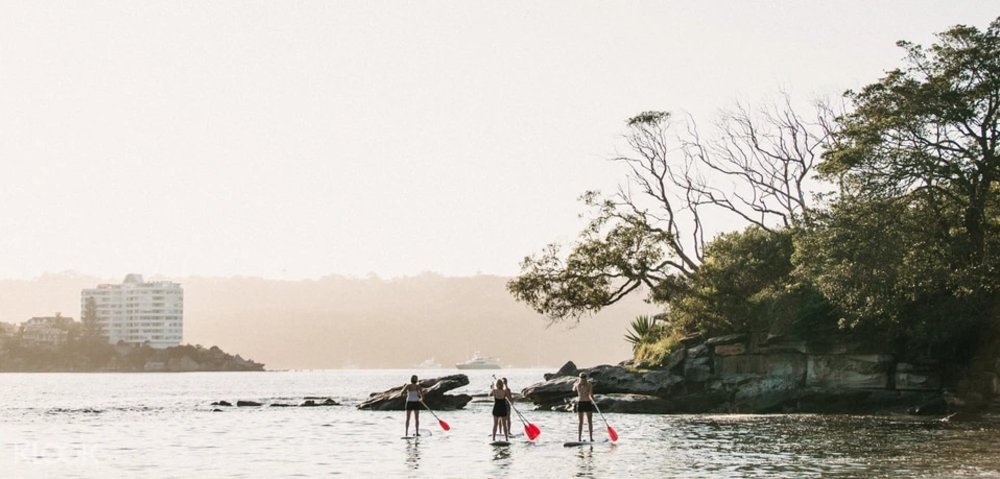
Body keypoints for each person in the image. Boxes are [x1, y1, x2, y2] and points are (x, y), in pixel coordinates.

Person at [573, 372, 595, 442]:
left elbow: (591, 394)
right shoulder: (578, 384)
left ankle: (591, 438)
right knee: (580, 422)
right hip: (580, 403)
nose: (583, 379)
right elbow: (573, 389)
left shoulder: (589, 385)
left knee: (589, 421)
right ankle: (579, 438)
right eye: (582, 378)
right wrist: (575, 383)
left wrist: (591, 397)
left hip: (587, 402)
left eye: (584, 378)